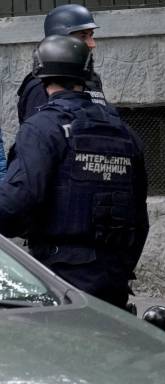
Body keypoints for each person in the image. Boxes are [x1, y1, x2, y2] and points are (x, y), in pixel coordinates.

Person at [0, 35, 148, 310]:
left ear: (41, 76)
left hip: (61, 280)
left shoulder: (42, 128)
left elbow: (13, 206)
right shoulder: (125, 133)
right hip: (115, 278)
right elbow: (140, 220)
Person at [17, 4, 106, 125]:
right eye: (83, 36)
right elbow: (38, 136)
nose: (92, 44)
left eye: (91, 35)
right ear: (59, 38)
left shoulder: (91, 77)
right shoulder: (43, 83)